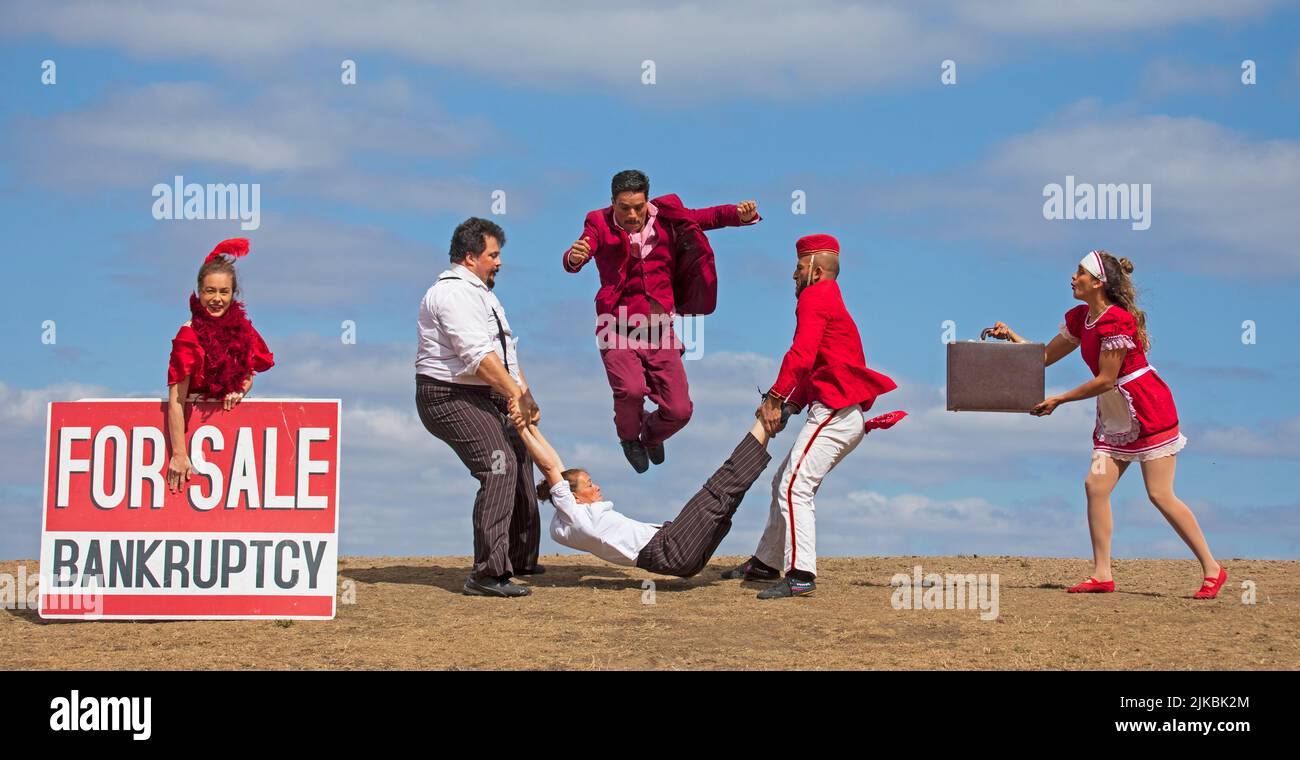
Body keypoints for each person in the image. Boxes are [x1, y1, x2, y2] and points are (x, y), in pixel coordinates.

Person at [988, 250, 1226, 599]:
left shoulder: (1116, 321)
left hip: (1147, 408)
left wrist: (1059, 400)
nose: (1073, 277)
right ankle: (1102, 574)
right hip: (1115, 414)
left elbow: (1105, 379)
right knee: (1095, 486)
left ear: (1098, 283)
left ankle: (1212, 568)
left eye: (1080, 272)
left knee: (1160, 494)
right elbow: (1042, 358)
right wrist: (1013, 337)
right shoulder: (1081, 318)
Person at [722, 234, 899, 599]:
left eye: (799, 267)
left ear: (816, 272)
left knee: (794, 486)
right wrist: (790, 405)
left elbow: (800, 357)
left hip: (835, 413)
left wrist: (773, 400)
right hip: (837, 412)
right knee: (782, 483)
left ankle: (801, 574)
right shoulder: (828, 297)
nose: (793, 274)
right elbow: (818, 366)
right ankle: (766, 563)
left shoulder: (815, 297)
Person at [563, 169, 761, 473]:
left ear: (647, 201)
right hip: (615, 326)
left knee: (680, 410)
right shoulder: (598, 222)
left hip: (660, 330)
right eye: (624, 207)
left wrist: (740, 214)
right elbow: (583, 247)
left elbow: (707, 217)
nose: (631, 214)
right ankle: (629, 438)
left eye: (638, 207)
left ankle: (651, 435)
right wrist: (575, 258)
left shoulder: (667, 216)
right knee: (630, 390)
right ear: (612, 202)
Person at [415, 217, 544, 598]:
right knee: (498, 463)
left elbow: (505, 351)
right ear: (471, 257)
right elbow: (479, 358)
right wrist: (514, 396)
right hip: (447, 395)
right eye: (494, 255)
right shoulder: (452, 294)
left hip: (482, 392)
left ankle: (518, 559)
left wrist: (526, 394)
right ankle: (487, 574)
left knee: (520, 456)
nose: (499, 263)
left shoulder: (483, 294)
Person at [521, 415, 773, 579]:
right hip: (669, 549)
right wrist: (520, 427)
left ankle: (768, 427)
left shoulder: (569, 518)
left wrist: (533, 427)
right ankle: (765, 419)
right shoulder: (573, 515)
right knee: (718, 488)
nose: (596, 486)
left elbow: (556, 466)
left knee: (728, 500)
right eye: (589, 484)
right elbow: (550, 469)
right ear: (574, 497)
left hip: (676, 555)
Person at [166, 238, 275, 494]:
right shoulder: (188, 336)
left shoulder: (243, 330)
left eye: (223, 292)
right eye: (210, 291)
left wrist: (240, 390)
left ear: (232, 294)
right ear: (199, 292)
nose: (216, 299)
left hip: (229, 447)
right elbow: (176, 400)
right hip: (192, 440)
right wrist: (179, 455)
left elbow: (249, 373)